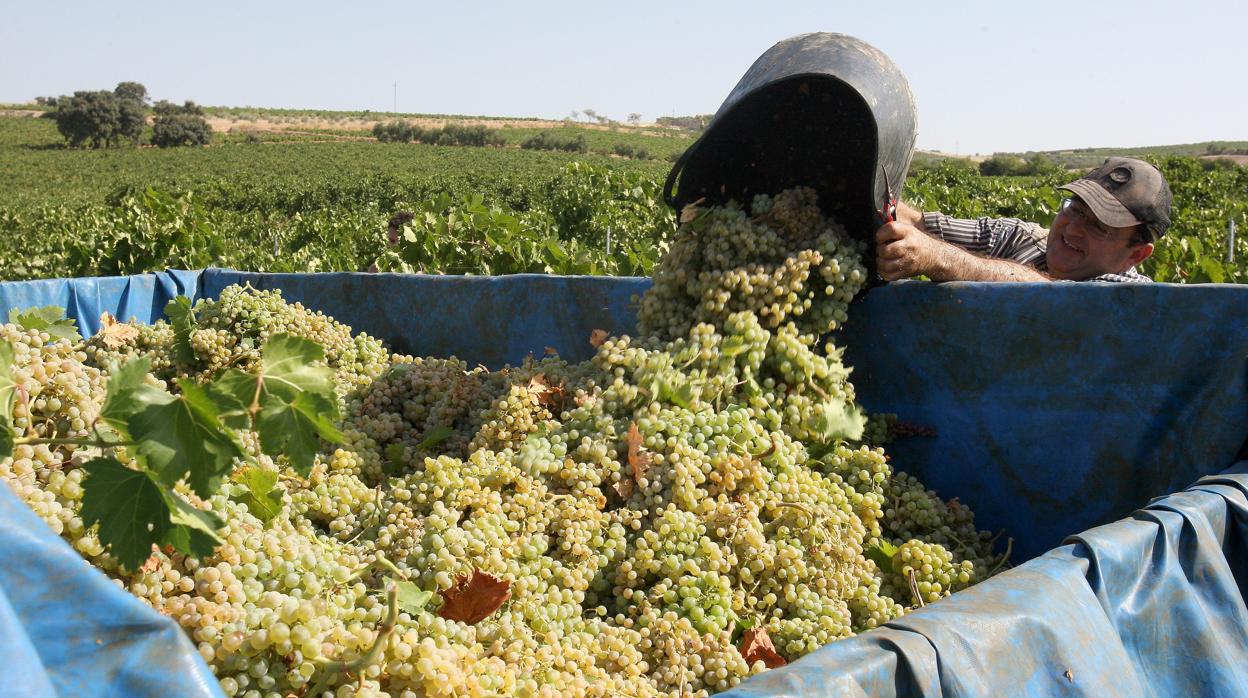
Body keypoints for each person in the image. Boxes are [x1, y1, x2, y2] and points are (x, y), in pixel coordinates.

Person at [875, 157, 1173, 282]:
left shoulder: (1135, 302)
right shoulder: (1022, 238)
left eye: (1098, 225)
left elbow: (1057, 298)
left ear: (1135, 254)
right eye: (1075, 208)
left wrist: (937, 257)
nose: (1073, 227)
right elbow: (920, 223)